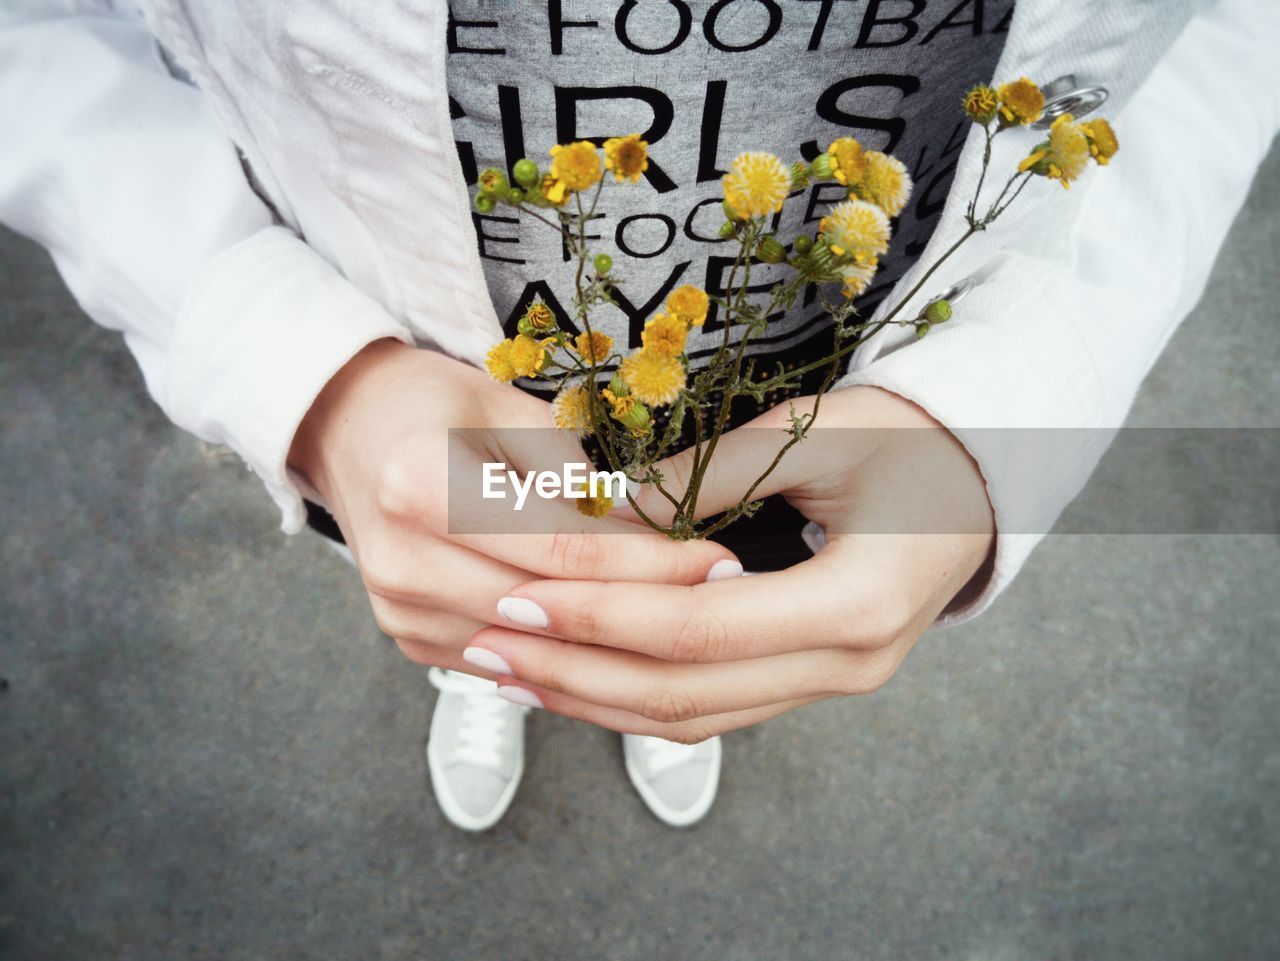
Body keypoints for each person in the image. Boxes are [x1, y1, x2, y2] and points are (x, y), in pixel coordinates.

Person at [1, 1, 1275, 832]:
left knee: (701, 600)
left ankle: (640, 670)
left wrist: (1003, 408)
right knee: (487, 587)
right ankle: (490, 666)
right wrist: (298, 363)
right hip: (434, 398)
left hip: (808, 439)